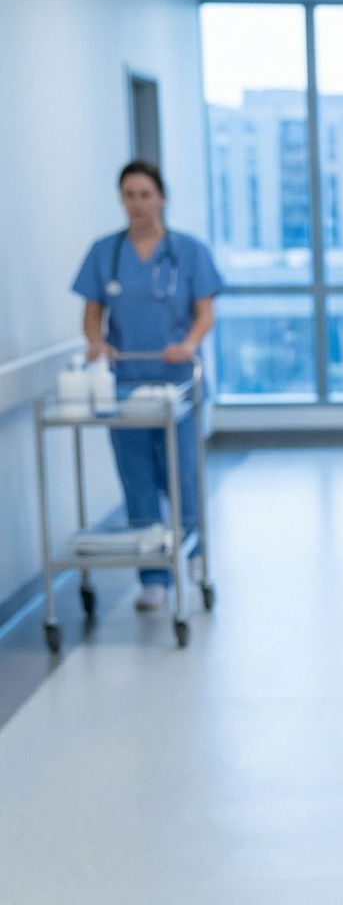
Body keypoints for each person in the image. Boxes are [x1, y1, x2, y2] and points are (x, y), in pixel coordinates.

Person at [71, 160, 221, 610]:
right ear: (121, 199)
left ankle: (193, 556)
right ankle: (154, 578)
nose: (137, 204)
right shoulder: (106, 253)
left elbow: (205, 312)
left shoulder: (188, 251)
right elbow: (92, 313)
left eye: (145, 194)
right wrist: (97, 344)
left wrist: (188, 344)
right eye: (129, 195)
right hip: (126, 387)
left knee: (182, 476)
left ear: (161, 197)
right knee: (136, 480)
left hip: (177, 385)